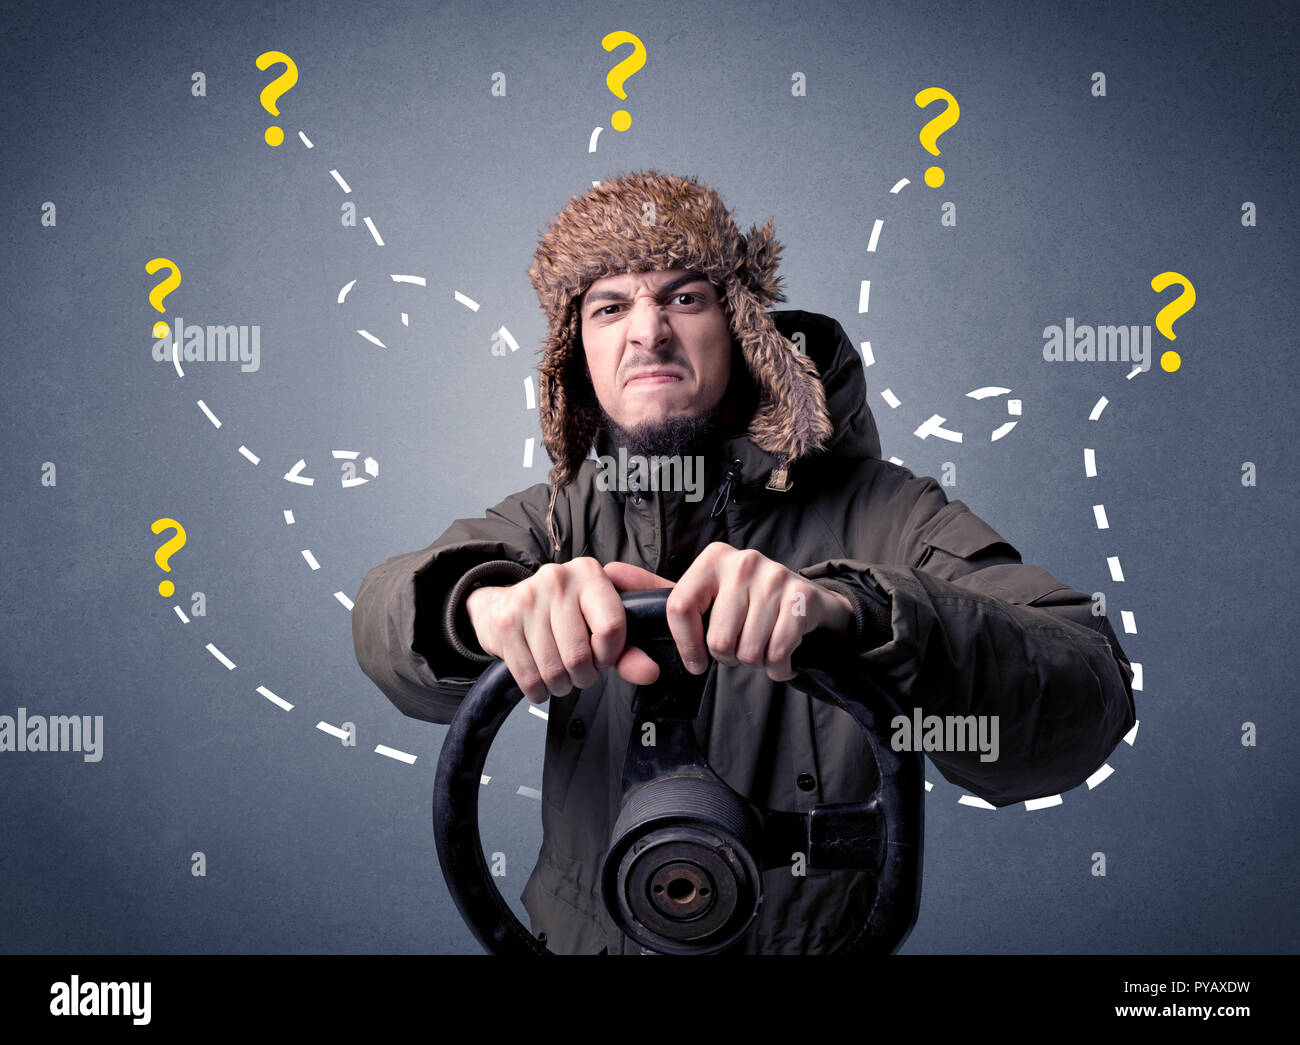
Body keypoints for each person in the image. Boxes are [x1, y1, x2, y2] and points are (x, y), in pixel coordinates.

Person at [351, 169, 1137, 954]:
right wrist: (479, 608)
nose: (648, 331)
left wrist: (862, 612)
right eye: (610, 305)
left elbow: (1086, 695)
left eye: (685, 297)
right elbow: (383, 618)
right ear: (575, 353)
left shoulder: (893, 515)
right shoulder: (556, 517)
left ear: (741, 327)